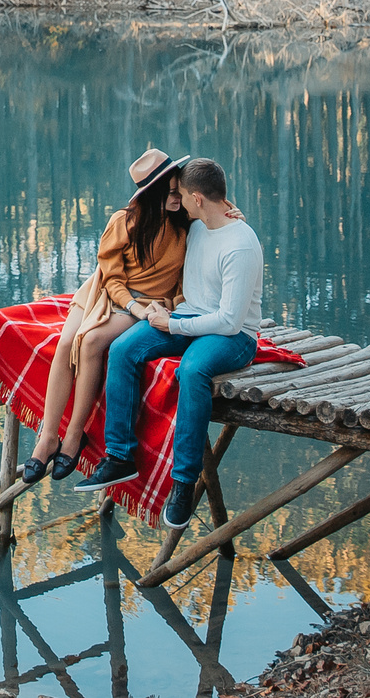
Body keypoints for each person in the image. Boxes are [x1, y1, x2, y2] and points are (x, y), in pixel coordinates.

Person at [76, 158, 264, 527]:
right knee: (123, 349)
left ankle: (183, 482)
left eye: (180, 193)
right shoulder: (194, 225)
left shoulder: (240, 244)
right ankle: (119, 456)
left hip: (235, 336)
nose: (174, 198)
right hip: (188, 316)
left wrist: (171, 326)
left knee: (193, 370)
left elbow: (229, 321)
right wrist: (164, 317)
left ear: (196, 199)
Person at [11, 149, 192, 483]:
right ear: (151, 195)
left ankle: (75, 437)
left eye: (177, 186)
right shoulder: (124, 222)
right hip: (107, 293)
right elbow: (111, 278)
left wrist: (229, 211)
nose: (177, 196)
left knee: (91, 342)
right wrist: (133, 307)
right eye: (169, 191)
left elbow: (188, 274)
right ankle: (48, 438)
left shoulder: (187, 227)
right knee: (66, 344)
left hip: (150, 302)